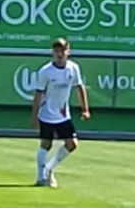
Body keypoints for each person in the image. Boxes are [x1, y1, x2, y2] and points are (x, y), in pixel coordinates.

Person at [31, 37, 91, 188]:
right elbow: (38, 93)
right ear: (53, 52)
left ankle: (49, 168)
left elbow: (79, 87)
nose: (59, 54)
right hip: (46, 114)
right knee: (46, 144)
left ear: (68, 51)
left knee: (72, 144)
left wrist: (85, 109)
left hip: (63, 114)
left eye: (62, 51)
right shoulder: (46, 71)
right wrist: (34, 117)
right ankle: (40, 177)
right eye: (57, 51)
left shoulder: (73, 68)